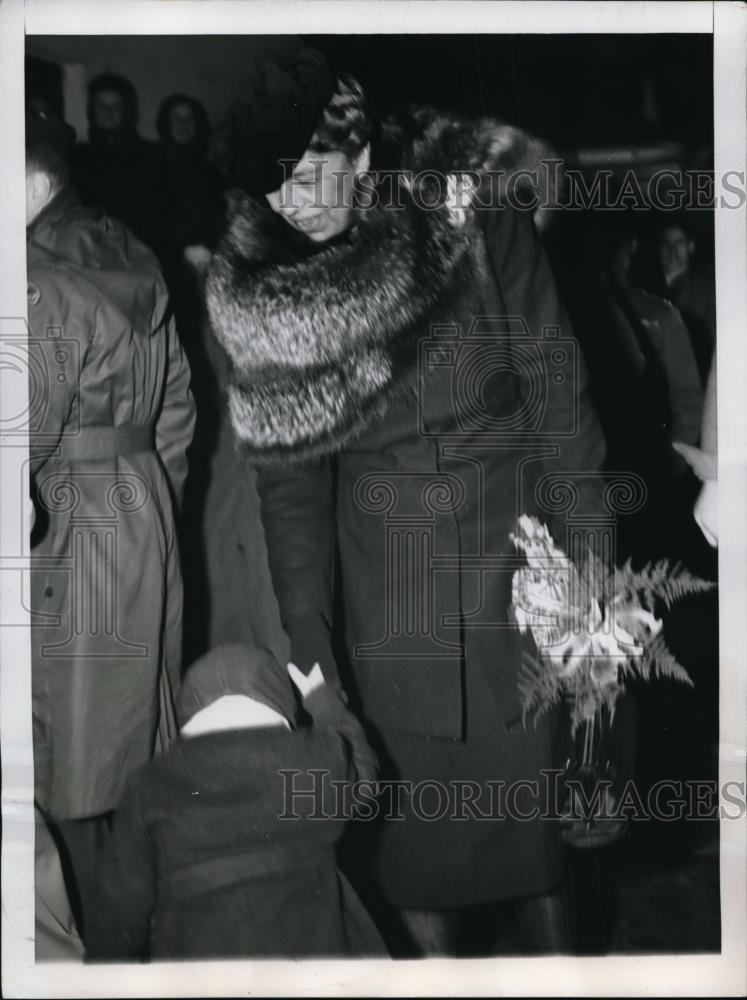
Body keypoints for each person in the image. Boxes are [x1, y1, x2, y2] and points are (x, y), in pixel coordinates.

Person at [205, 47, 607, 955]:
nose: (296, 205)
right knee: (415, 861)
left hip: (521, 568)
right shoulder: (267, 294)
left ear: (360, 148)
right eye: (275, 190)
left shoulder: (464, 212)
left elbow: (558, 397)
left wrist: (591, 583)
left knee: (542, 846)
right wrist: (313, 655)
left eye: (312, 173)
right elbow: (290, 488)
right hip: (394, 599)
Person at [26, 108, 195, 944]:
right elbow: (178, 415)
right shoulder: (134, 252)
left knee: (67, 766)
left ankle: (93, 955)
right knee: (132, 750)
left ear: (28, 184)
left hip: (68, 525)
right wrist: (148, 507)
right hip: (141, 511)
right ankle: (145, 940)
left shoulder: (32, 276)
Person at [86, 643, 386, 960]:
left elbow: (119, 911)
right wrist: (322, 700)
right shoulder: (317, 758)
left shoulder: (150, 785)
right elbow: (366, 777)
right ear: (282, 712)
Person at [70, 73, 175, 274]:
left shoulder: (151, 155)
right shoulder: (77, 156)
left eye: (116, 106)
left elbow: (162, 215)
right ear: (91, 110)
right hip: (89, 262)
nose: (108, 112)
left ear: (127, 112)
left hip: (140, 261)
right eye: (101, 105)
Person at [655, 221, 716, 384]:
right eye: (666, 243)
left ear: (691, 246)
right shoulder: (644, 287)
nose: (672, 250)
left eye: (679, 243)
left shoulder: (708, 291)